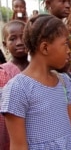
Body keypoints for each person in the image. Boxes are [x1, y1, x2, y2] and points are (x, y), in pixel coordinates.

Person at [0, 14, 71, 149]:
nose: (69, 51)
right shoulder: (17, 89)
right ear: (45, 48)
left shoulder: (63, 82)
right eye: (65, 44)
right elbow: (18, 146)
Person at [0, 20, 28, 150]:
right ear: (5, 45)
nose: (20, 42)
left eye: (23, 37)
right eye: (13, 38)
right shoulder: (2, 74)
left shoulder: (39, 70)